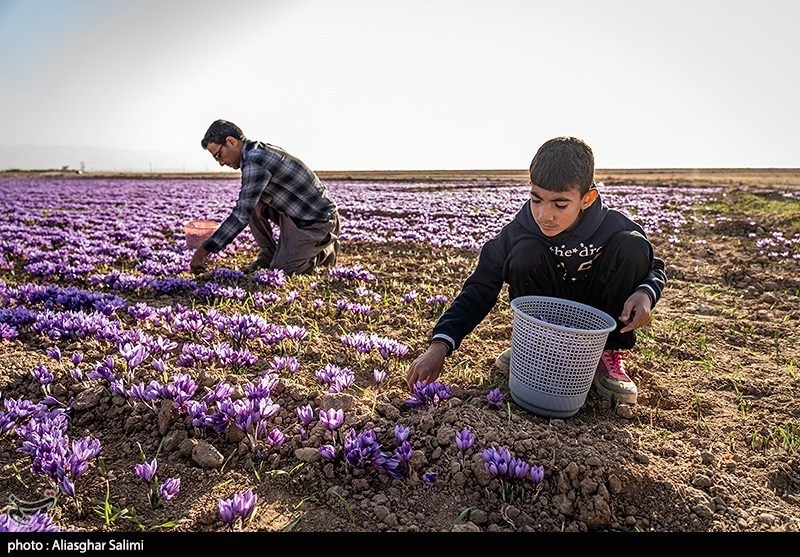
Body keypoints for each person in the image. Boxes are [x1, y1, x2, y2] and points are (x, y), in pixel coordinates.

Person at [405, 137, 666, 405]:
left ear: (587, 199)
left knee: (633, 246)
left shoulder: (613, 226)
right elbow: (481, 285)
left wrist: (645, 294)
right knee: (524, 252)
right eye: (536, 199)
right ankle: (535, 346)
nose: (544, 215)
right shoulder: (521, 229)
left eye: (560, 204)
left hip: (596, 319)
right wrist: (440, 346)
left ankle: (608, 352)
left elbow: (653, 266)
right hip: (547, 317)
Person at [190, 119, 340, 276]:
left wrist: (204, 250)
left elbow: (241, 215)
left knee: (282, 271)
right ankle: (268, 255)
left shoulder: (256, 160)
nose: (220, 163)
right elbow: (247, 207)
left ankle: (324, 251)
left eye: (218, 155)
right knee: (252, 201)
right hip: (296, 215)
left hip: (318, 221)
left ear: (231, 142)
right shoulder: (255, 151)